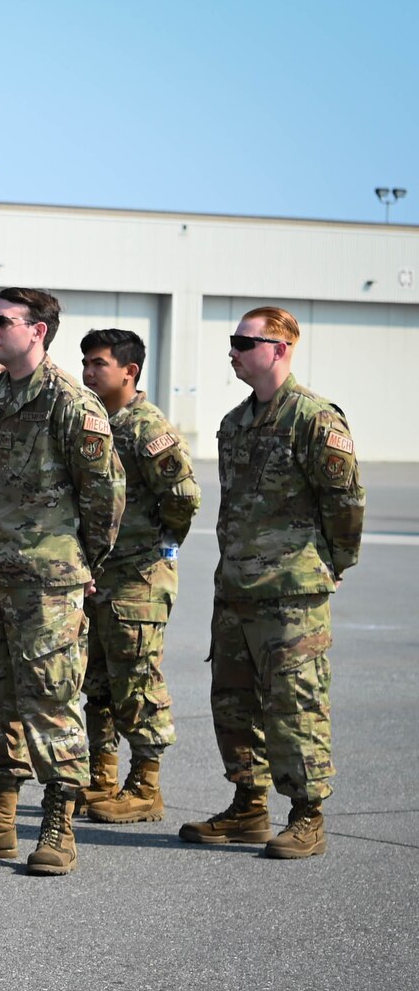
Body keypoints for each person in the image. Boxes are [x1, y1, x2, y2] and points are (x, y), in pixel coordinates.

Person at [0, 288, 122, 876]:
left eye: (2, 322)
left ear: (37, 331)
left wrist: (84, 565)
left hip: (47, 581)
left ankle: (59, 824)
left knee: (51, 700)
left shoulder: (70, 402)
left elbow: (105, 494)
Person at [182, 307, 363, 859]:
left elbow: (346, 505)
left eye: (243, 341)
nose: (232, 351)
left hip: (291, 591)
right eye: (231, 341)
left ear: (280, 348)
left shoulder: (314, 419)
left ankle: (308, 814)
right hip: (236, 586)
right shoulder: (235, 423)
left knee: (294, 703)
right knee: (234, 702)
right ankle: (248, 806)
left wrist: (330, 565)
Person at [77, 328, 200, 822]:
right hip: (101, 575)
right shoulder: (98, 422)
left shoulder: (146, 428)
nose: (88, 371)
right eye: (85, 362)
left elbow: (184, 498)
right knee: (100, 680)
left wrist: (158, 547)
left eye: (98, 363)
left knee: (138, 679)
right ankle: (102, 776)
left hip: (138, 576)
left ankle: (145, 785)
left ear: (129, 371)